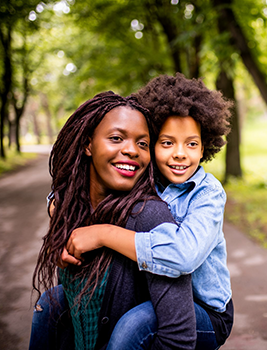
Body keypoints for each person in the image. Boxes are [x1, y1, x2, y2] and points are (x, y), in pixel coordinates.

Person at [62, 73, 234, 350]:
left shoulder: (208, 194)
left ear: (204, 148)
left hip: (207, 313)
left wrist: (104, 234)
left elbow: (182, 255)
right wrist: (64, 227)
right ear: (152, 145)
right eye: (167, 143)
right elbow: (78, 191)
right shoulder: (146, 179)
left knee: (137, 323)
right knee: (55, 305)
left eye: (191, 143)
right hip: (157, 296)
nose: (180, 153)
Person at [30, 91, 197, 350]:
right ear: (88, 144)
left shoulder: (149, 217)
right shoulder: (72, 210)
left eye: (143, 143)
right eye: (116, 138)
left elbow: (179, 338)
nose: (131, 150)